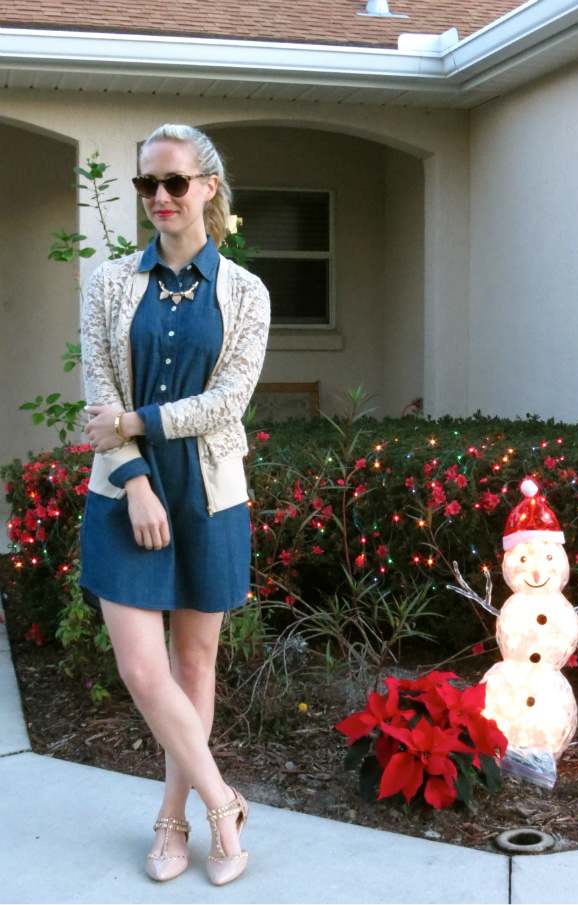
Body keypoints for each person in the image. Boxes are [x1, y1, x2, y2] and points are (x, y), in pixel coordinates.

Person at [77, 123, 270, 886]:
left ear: (207, 188)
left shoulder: (246, 292)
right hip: (125, 488)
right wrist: (136, 470)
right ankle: (225, 805)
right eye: (146, 185)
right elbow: (101, 399)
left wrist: (140, 419)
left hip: (211, 491)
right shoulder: (109, 284)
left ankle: (173, 818)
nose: (159, 197)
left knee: (194, 662)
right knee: (142, 667)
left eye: (174, 183)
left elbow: (229, 401)